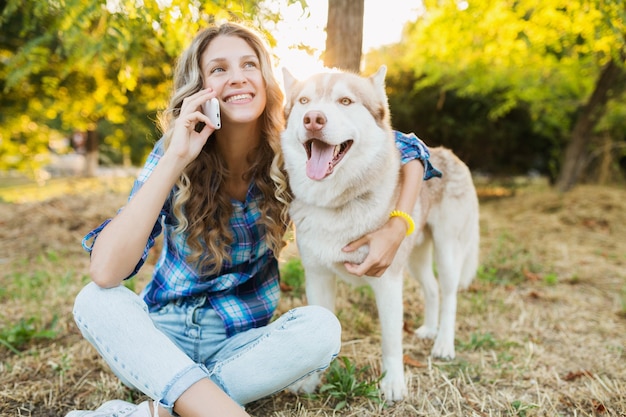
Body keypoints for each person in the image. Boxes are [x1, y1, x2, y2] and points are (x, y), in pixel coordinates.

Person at [67, 21, 441, 417]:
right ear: (199, 87)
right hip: (162, 336)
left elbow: (402, 143)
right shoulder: (174, 150)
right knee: (95, 300)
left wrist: (399, 223)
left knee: (321, 329)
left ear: (265, 79)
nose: (237, 78)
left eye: (249, 64)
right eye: (219, 69)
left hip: (241, 345)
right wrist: (176, 157)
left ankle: (170, 407)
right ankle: (222, 409)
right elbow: (106, 271)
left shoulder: (293, 150)